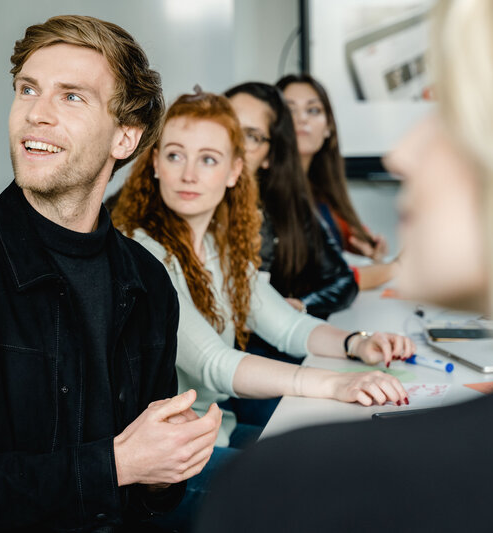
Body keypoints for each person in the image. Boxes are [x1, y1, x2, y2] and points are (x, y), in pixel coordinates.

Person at [197, 1, 493, 531]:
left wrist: (345, 349)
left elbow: (296, 304)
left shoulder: (286, 490)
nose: (400, 154)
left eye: (449, 111)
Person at [0, 15, 222, 532]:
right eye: (27, 90)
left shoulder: (147, 282)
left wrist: (164, 468)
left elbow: (149, 494)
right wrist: (118, 464)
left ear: (125, 138)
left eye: (71, 97)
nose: (35, 114)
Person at [112, 89, 416, 529]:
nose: (189, 174)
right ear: (154, 162)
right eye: (176, 155)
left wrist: (358, 343)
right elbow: (216, 364)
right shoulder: (142, 252)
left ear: (235, 171)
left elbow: (288, 326)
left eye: (209, 159)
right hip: (166, 471)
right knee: (319, 497)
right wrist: (334, 386)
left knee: (346, 462)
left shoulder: (219, 245)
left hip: (216, 434)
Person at [225, 81, 358, 320]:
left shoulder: (286, 205)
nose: (233, 144)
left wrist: (301, 305)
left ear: (269, 157)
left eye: (251, 136)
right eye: (227, 127)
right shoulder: (188, 205)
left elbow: (343, 280)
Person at [276, 73, 399, 290]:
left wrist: (369, 248)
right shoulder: (268, 195)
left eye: (313, 110)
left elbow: (354, 235)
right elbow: (329, 280)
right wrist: (397, 266)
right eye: (289, 110)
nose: (301, 119)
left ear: (328, 128)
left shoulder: (321, 192)